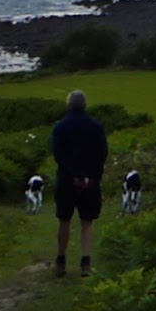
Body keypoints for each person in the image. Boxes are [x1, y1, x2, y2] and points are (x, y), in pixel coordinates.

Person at [50, 88, 109, 277]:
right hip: (90, 182)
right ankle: (85, 263)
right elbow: (102, 153)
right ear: (85, 105)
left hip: (66, 180)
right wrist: (92, 178)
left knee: (64, 220)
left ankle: (61, 261)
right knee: (87, 222)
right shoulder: (96, 127)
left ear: (68, 105)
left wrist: (75, 175)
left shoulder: (60, 128)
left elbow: (59, 155)